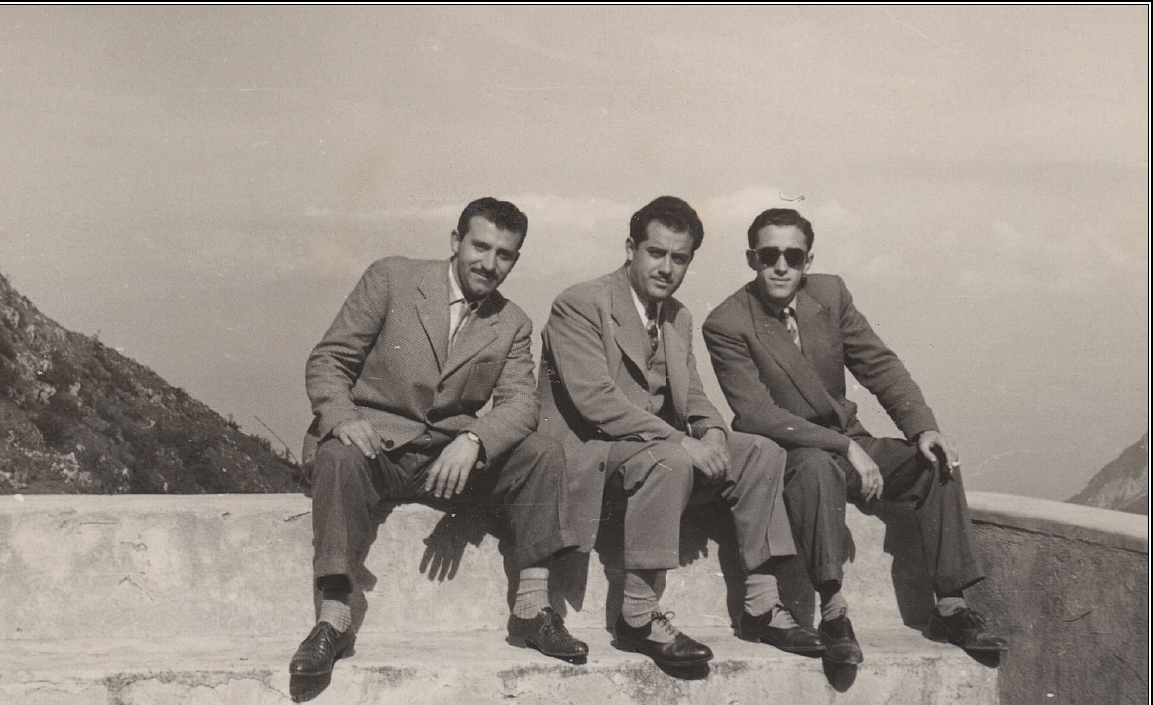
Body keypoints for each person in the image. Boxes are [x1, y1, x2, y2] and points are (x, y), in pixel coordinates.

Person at [295, 197, 587, 680]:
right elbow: (330, 359)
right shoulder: (391, 278)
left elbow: (521, 404)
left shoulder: (512, 323)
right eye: (480, 247)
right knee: (337, 455)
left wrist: (474, 439)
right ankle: (333, 620)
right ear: (455, 242)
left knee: (542, 454)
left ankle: (533, 610)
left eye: (505, 255)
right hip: (376, 448)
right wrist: (342, 415)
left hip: (449, 462)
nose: (489, 264)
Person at [702, 207, 1008, 665]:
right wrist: (843, 445)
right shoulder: (728, 323)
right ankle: (833, 612)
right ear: (751, 259)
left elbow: (878, 365)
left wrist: (923, 428)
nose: (782, 266)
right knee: (818, 468)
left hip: (851, 443)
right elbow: (756, 413)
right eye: (769, 256)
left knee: (936, 461)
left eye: (793, 256)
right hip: (796, 453)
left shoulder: (830, 294)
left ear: (808, 260)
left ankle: (951, 605)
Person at [538, 196, 823, 672]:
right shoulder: (581, 303)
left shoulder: (677, 317)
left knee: (761, 452)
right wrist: (680, 441)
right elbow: (597, 402)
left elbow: (692, 394)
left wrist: (710, 432)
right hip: (589, 455)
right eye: (656, 253)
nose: (666, 268)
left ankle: (760, 605)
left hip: (647, 455)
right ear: (631, 249)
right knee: (669, 458)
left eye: (680, 258)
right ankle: (638, 615)